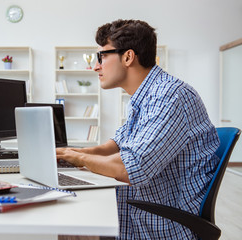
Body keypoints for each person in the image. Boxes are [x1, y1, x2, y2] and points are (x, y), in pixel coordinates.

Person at [56, 19, 220, 239]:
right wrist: (71, 154)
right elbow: (114, 146)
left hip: (161, 225)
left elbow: (131, 168)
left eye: (102, 56)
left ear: (128, 57)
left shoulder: (170, 96)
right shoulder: (145, 97)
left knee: (66, 224)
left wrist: (75, 157)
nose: (96, 66)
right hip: (141, 208)